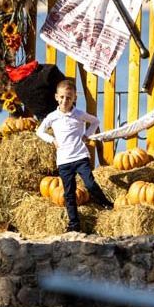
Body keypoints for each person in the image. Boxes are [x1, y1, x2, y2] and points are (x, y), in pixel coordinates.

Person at [34, 79, 112, 232]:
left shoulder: (79, 114)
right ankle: (74, 224)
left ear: (74, 98)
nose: (65, 101)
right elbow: (39, 131)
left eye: (69, 98)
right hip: (64, 161)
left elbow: (95, 121)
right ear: (57, 97)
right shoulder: (52, 117)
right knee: (69, 193)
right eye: (62, 97)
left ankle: (106, 204)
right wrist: (52, 140)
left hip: (80, 157)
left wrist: (87, 135)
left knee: (89, 184)